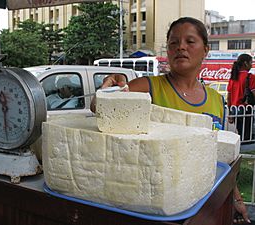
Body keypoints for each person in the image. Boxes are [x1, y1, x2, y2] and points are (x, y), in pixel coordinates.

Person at [91, 17, 250, 224]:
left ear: (205, 50)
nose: (180, 47)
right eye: (173, 43)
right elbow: (100, 105)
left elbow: (216, 156)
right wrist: (110, 87)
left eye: (190, 41)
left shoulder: (216, 101)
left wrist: (235, 198)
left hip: (203, 204)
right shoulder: (148, 86)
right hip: (156, 205)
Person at [227, 54, 254, 142]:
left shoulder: (233, 78)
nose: (251, 65)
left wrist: (230, 112)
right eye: (251, 62)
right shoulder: (251, 77)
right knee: (248, 135)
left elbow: (229, 97)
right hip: (247, 109)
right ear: (245, 63)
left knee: (240, 133)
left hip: (235, 110)